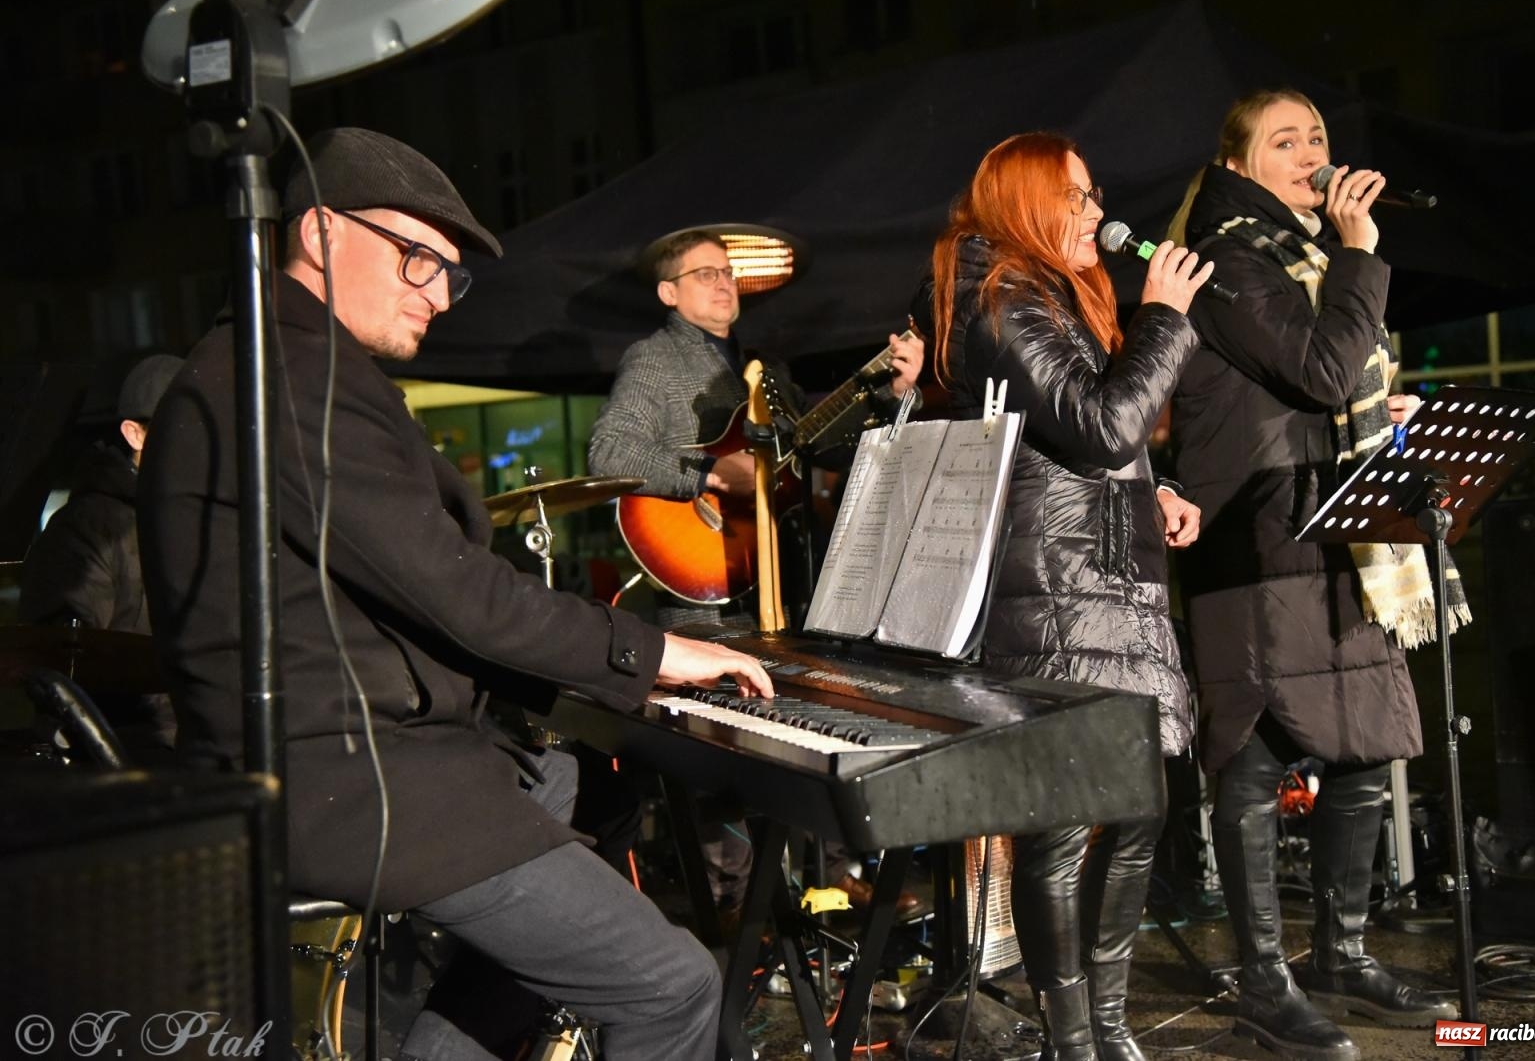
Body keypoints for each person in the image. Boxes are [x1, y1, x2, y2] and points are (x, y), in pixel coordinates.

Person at [138, 127, 775, 1061]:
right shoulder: (293, 380)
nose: (438, 295)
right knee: (670, 984)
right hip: (355, 780)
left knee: (575, 789)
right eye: (417, 261)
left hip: (358, 757)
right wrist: (652, 653)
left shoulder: (279, 365)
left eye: (449, 275)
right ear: (319, 232)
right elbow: (457, 593)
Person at [1168, 89, 1461, 1060]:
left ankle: (1340, 951)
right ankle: (1262, 981)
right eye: (1284, 140)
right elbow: (1326, 374)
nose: (1311, 153)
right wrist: (1359, 249)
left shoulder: (1299, 253)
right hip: (1256, 537)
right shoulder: (1226, 257)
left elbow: (1337, 381)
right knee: (1254, 762)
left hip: (1340, 531)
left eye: (1319, 137)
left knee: (1364, 750)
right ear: (1239, 163)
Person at [928, 131, 1210, 1060]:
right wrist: (1164, 316)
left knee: (1141, 805)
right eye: (1079, 196)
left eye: (1096, 194)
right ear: (1029, 202)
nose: (1099, 212)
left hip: (1110, 574)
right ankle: (1075, 1038)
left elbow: (1098, 441)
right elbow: (1098, 425)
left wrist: (1150, 488)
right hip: (1051, 588)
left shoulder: (1050, 298)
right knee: (1067, 818)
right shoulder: (1003, 302)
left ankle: (1110, 1021)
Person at [587, 228, 926, 918]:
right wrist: (708, 472)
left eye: (728, 272)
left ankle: (825, 881)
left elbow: (820, 444)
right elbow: (610, 451)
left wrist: (887, 392)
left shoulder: (760, 371)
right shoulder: (654, 361)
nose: (723, 282)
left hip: (770, 579)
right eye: (705, 273)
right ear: (668, 293)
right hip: (702, 581)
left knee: (797, 732)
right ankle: (737, 907)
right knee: (725, 756)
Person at [21, 353, 185, 763]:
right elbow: (64, 661)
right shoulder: (87, 528)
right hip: (133, 755)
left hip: (204, 740)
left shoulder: (208, 515)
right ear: (135, 434)